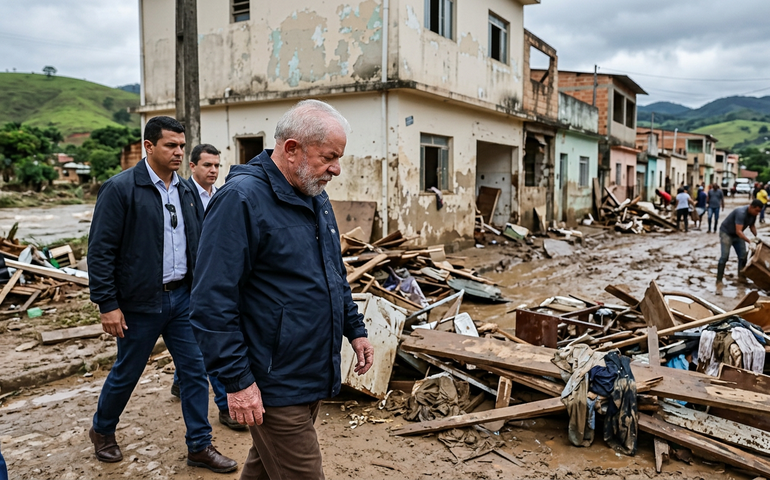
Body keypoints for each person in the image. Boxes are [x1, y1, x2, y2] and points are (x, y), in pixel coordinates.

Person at [189, 100, 375, 479]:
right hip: (271, 381)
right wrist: (237, 382)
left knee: (264, 467)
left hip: (308, 370)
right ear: (292, 149)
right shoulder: (241, 199)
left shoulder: (314, 196)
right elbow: (211, 302)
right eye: (329, 157)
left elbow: (332, 273)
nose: (336, 169)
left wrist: (354, 329)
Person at [87, 116, 237, 473]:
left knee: (194, 371)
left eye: (182, 146)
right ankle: (103, 430)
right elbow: (100, 250)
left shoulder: (185, 191)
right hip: (140, 303)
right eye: (171, 145)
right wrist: (107, 304)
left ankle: (199, 445)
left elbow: (197, 243)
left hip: (182, 300)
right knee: (128, 371)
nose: (179, 152)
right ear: (149, 146)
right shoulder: (122, 188)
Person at [168, 143, 245, 431]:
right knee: (209, 347)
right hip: (191, 283)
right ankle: (226, 407)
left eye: (216, 165)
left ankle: (181, 381)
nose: (213, 171)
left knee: (196, 349)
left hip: (215, 281)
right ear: (193, 167)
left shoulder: (223, 195)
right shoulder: (183, 196)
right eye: (207, 165)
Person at [717, 199, 763, 285]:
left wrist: (757, 236)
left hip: (737, 235)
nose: (757, 213)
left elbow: (751, 226)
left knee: (742, 256)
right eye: (756, 211)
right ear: (751, 207)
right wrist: (750, 241)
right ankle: (719, 280)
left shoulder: (753, 214)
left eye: (759, 212)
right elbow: (739, 231)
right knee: (724, 257)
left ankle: (741, 277)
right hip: (727, 233)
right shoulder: (741, 213)